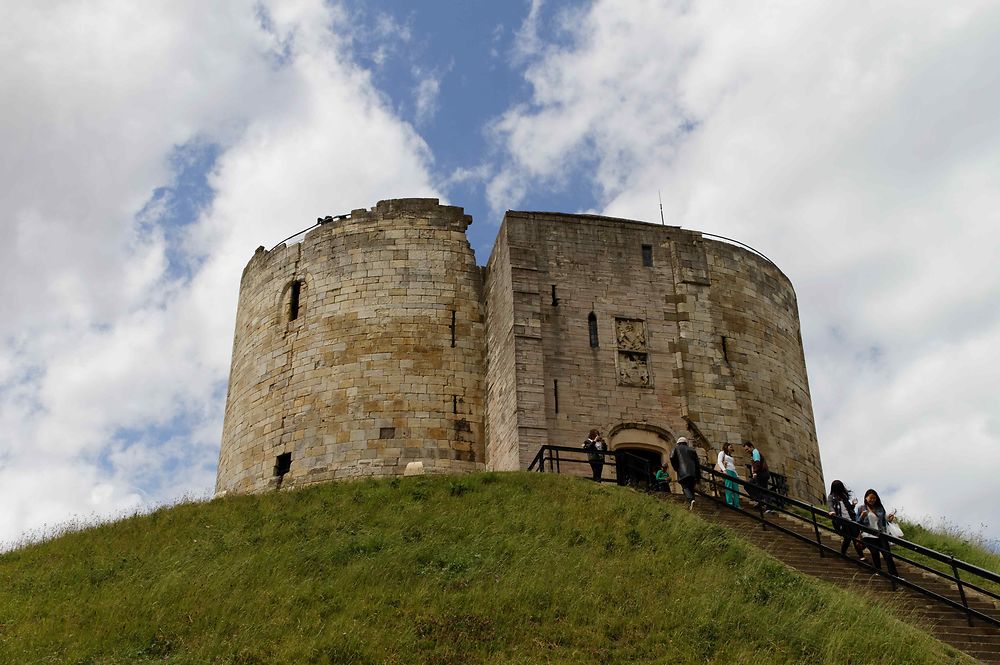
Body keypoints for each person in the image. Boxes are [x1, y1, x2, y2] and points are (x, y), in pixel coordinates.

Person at [857, 488, 899, 577]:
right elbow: (857, 522)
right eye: (870, 498)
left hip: (881, 534)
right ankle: (878, 570)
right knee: (874, 552)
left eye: (874, 498)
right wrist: (861, 517)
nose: (872, 500)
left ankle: (894, 575)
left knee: (887, 554)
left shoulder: (880, 508)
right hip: (868, 535)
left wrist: (889, 520)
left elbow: (883, 522)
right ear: (866, 498)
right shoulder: (861, 508)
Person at [827, 480, 865, 559]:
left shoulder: (844, 497)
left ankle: (861, 555)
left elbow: (848, 509)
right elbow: (830, 505)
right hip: (842, 521)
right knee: (847, 538)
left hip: (851, 520)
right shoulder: (831, 497)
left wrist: (853, 505)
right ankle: (843, 553)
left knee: (855, 538)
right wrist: (832, 512)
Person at [669, 436, 701, 510]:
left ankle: (691, 500)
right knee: (691, 488)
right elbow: (697, 463)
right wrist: (698, 476)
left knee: (685, 487)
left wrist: (676, 467)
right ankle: (692, 504)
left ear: (678, 443)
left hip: (683, 472)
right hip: (693, 473)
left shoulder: (676, 448)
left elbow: (671, 457)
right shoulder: (692, 450)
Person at [742, 440, 772, 513]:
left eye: (747, 449)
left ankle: (768, 506)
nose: (746, 451)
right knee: (752, 486)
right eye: (745, 450)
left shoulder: (755, 452)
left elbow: (757, 463)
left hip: (762, 474)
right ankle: (760, 500)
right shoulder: (753, 454)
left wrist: (755, 472)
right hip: (760, 474)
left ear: (751, 447)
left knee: (763, 489)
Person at [716, 443, 741, 508]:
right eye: (730, 447)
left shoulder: (730, 456)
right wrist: (724, 470)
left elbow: (733, 466)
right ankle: (729, 503)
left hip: (733, 471)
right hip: (728, 470)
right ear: (726, 447)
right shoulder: (722, 453)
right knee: (729, 486)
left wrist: (737, 475)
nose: (731, 448)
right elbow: (719, 462)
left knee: (736, 489)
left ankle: (737, 504)